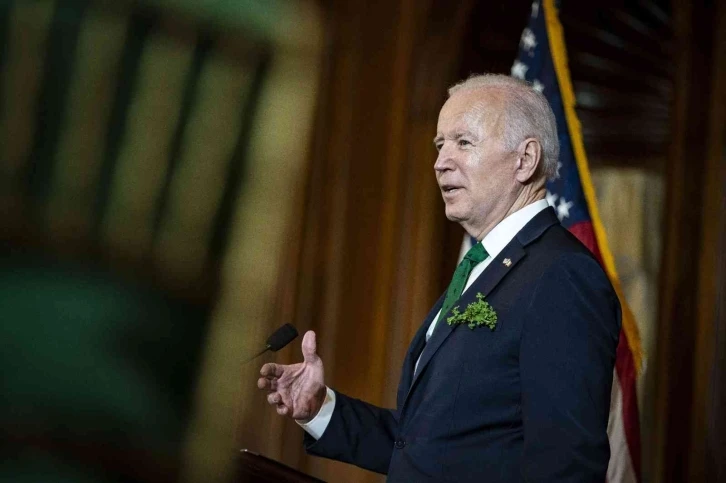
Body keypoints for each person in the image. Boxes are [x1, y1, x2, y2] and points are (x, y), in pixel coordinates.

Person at [257, 74, 621, 482]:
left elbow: (566, 465)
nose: (441, 161)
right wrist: (320, 409)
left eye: (463, 142)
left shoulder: (560, 275)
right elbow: (422, 445)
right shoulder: (482, 265)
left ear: (525, 159)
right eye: (439, 144)